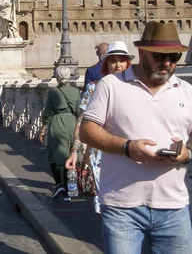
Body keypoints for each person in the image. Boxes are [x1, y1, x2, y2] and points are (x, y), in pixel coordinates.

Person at [81, 22, 192, 253]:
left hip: (174, 206)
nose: (168, 63)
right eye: (160, 56)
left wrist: (186, 153)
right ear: (141, 53)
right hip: (122, 206)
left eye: (174, 57)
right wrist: (127, 147)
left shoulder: (186, 91)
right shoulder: (111, 85)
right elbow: (87, 130)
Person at [65, 41, 134, 213]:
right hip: (100, 153)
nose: (118, 65)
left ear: (128, 63)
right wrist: (75, 151)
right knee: (107, 203)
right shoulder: (93, 88)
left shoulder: (137, 88)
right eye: (113, 60)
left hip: (130, 150)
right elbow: (82, 122)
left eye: (122, 60)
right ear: (106, 64)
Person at [38, 66, 80, 201]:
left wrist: (43, 128)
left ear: (56, 76)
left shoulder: (53, 92)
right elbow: (79, 110)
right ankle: (70, 188)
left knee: (55, 155)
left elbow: (48, 112)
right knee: (70, 154)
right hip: (72, 123)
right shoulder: (75, 91)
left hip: (57, 122)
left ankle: (59, 184)